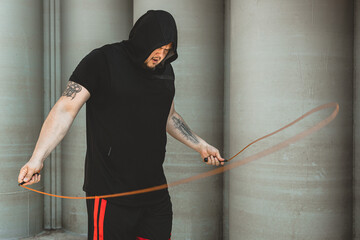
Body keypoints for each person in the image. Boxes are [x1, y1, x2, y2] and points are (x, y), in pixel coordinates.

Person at [17, 10, 224, 240]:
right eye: (158, 48)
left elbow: (169, 116)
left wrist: (201, 145)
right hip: (110, 193)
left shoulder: (165, 71)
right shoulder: (102, 61)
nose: (161, 55)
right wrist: (37, 158)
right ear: (144, 39)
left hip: (154, 191)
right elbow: (65, 109)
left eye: (168, 50)